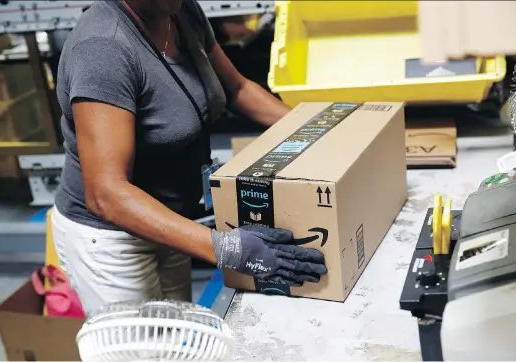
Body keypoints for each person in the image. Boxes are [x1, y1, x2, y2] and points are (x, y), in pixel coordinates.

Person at [51, 0, 328, 317]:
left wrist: (316, 131)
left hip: (170, 221)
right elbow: (106, 194)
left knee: (174, 337)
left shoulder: (179, 11)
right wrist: (227, 249)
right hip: (113, 241)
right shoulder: (103, 48)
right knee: (142, 350)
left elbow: (236, 88)